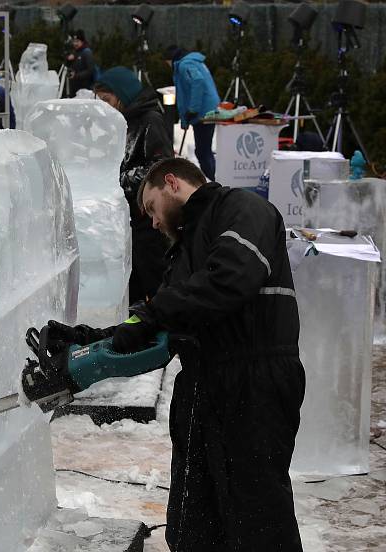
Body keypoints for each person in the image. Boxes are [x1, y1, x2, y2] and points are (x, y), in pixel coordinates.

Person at [46, 157, 305, 551]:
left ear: (172, 183)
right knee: (192, 522)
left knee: (257, 518)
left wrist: (152, 315)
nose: (152, 222)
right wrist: (93, 340)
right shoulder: (184, 251)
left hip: (254, 381)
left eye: (151, 208)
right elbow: (161, 322)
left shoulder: (243, 209)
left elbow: (231, 278)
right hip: (203, 385)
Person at [94, 67, 173, 302]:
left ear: (122, 96)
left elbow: (161, 165)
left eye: (107, 100)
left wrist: (119, 178)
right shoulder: (117, 121)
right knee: (132, 287)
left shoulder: (150, 121)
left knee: (154, 280)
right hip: (125, 218)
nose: (104, 106)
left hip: (146, 220)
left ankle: (165, 328)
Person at [164, 45, 220, 181]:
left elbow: (198, 82)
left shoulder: (184, 65)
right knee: (204, 150)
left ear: (171, 59)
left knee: (202, 151)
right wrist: (185, 119)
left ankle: (212, 182)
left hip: (203, 112)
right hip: (207, 109)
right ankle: (211, 180)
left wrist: (193, 109)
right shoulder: (193, 62)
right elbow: (186, 93)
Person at [66, 30, 95, 97]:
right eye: (74, 41)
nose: (75, 44)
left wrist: (76, 76)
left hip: (84, 89)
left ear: (82, 41)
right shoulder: (75, 52)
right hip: (74, 89)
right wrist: (68, 60)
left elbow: (90, 70)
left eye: (77, 41)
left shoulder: (87, 52)